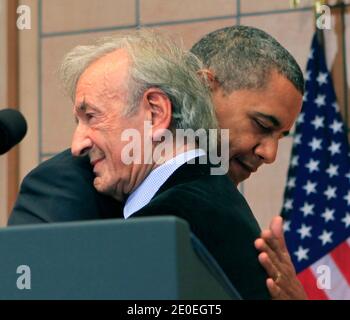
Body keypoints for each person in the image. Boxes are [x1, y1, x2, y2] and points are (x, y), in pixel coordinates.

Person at [9, 26, 306, 299]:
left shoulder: (178, 218)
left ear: (155, 112)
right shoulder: (72, 183)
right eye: (262, 124)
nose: (270, 153)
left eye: (92, 117)